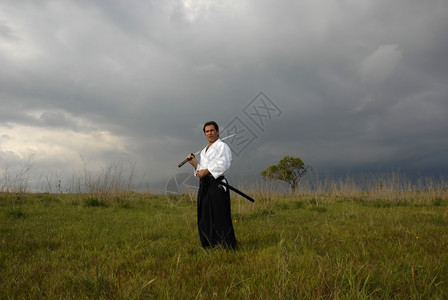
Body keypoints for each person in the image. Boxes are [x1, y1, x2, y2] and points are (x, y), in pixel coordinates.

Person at [187, 121, 237, 249]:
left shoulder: (222, 147)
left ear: (217, 131)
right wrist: (194, 164)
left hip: (217, 185)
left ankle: (226, 245)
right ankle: (209, 244)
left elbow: (224, 163)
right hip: (205, 185)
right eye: (207, 131)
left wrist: (207, 170)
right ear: (204, 134)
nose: (210, 133)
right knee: (205, 216)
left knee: (219, 215)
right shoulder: (204, 151)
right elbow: (201, 170)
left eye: (212, 130)